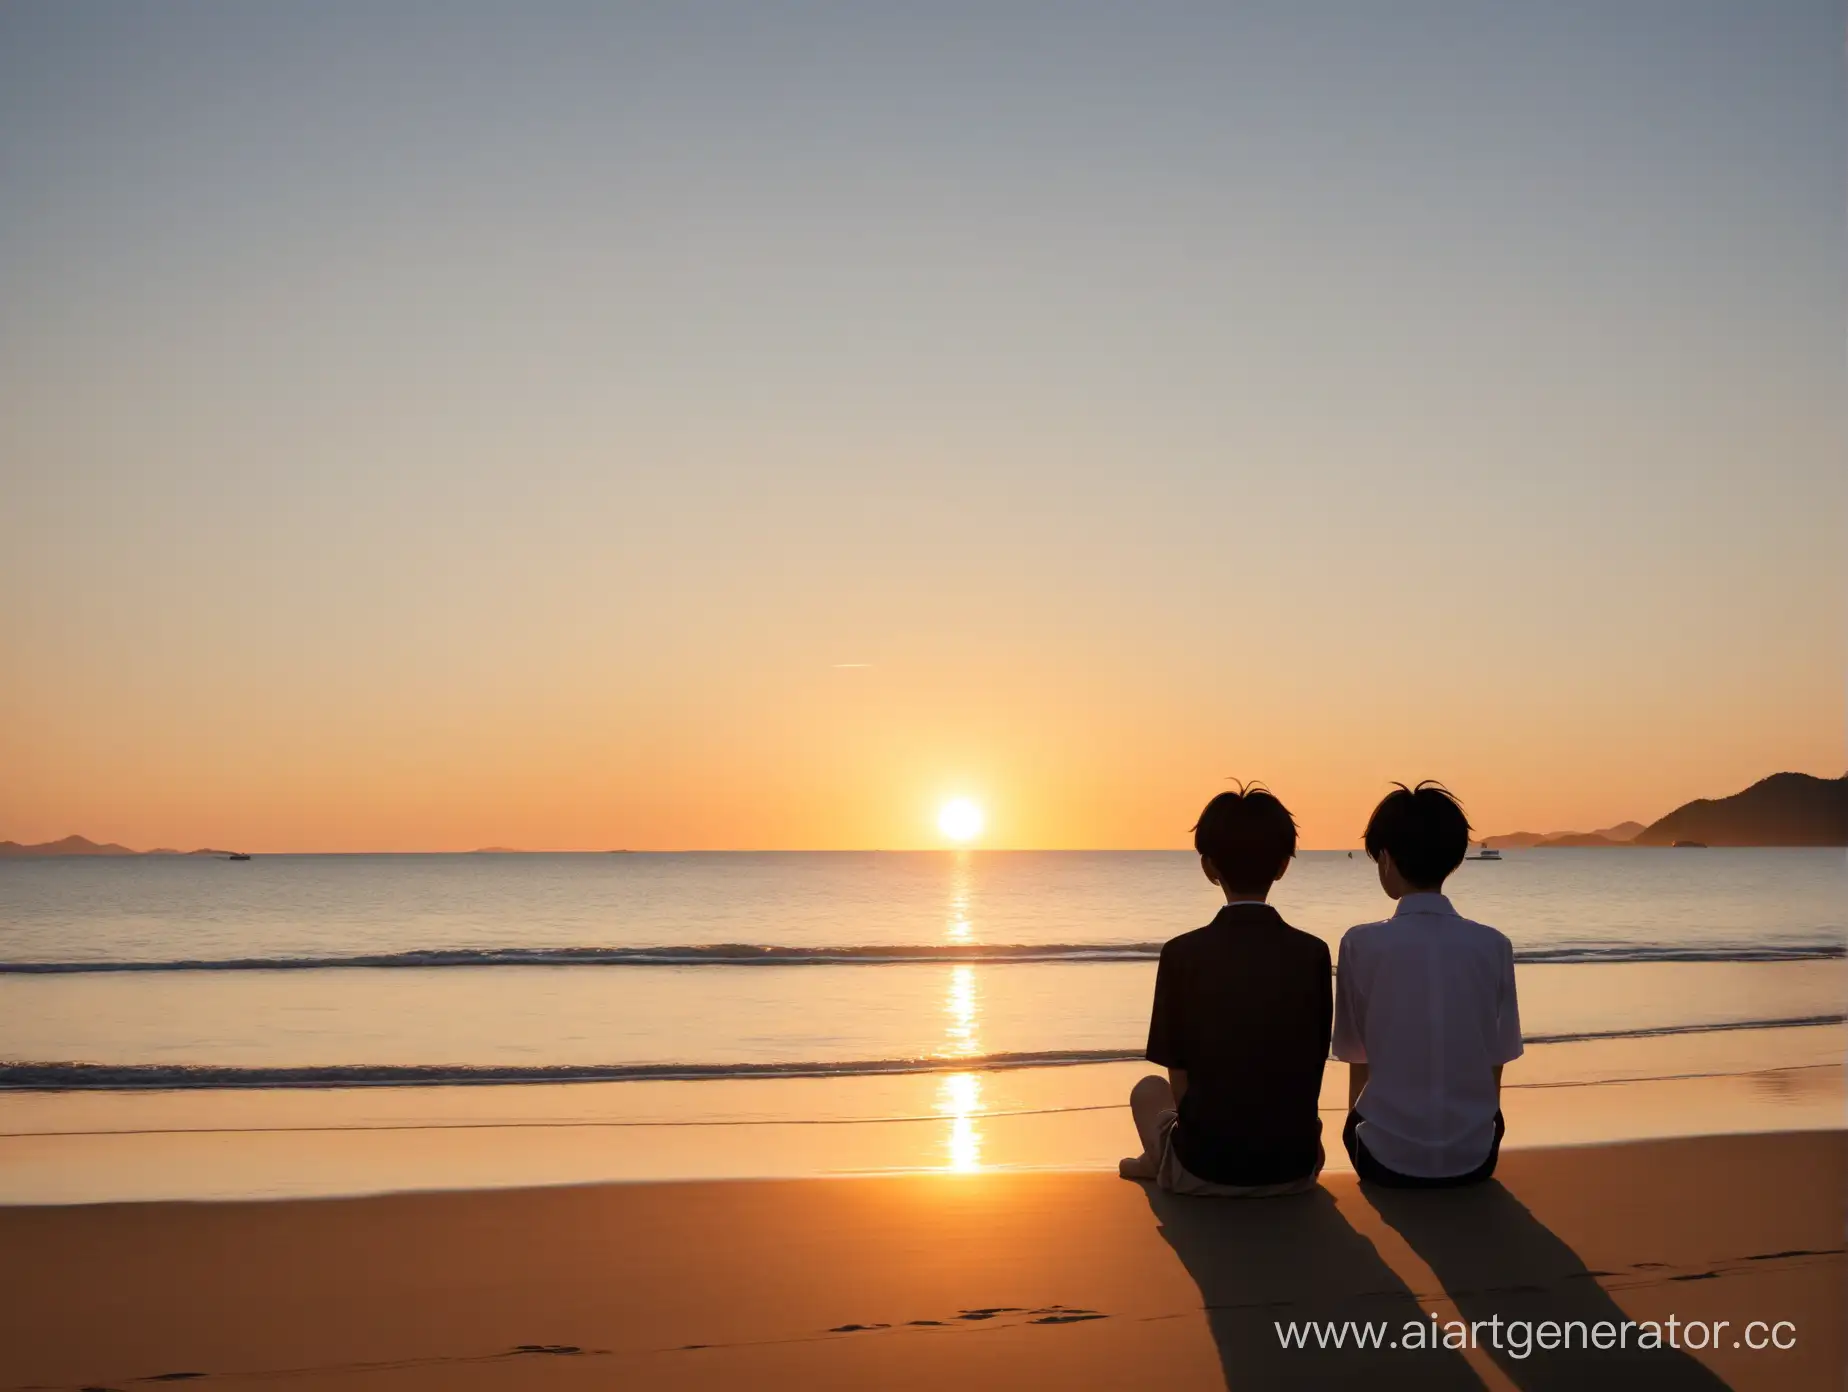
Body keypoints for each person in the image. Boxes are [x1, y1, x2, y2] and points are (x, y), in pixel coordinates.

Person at [1119, 785, 1332, 1196]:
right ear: (1283, 866)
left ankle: (1160, 1160)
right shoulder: (1313, 953)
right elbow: (1313, 1062)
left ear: (1209, 867)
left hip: (1206, 1168)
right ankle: (1160, 1158)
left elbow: (1177, 1075)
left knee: (1148, 1091)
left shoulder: (1182, 953)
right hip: (1294, 1167)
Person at [1333, 782, 1522, 1187]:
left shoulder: (1359, 943)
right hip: (1476, 1159)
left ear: (1385, 858)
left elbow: (1356, 1056)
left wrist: (1358, 1131)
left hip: (1382, 1161)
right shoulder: (1493, 945)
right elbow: (1497, 1059)